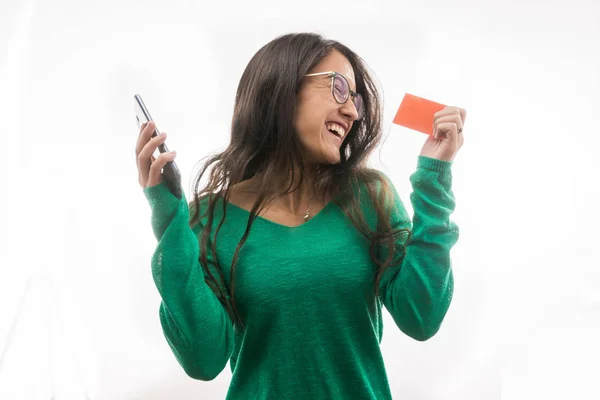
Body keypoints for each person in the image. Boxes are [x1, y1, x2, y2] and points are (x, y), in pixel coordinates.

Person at [135, 32, 466, 400]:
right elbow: (203, 359)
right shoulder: (210, 219)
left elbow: (422, 315)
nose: (353, 111)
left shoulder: (369, 197)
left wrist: (434, 179)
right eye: (338, 88)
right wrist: (169, 222)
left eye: (355, 99)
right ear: (283, 90)